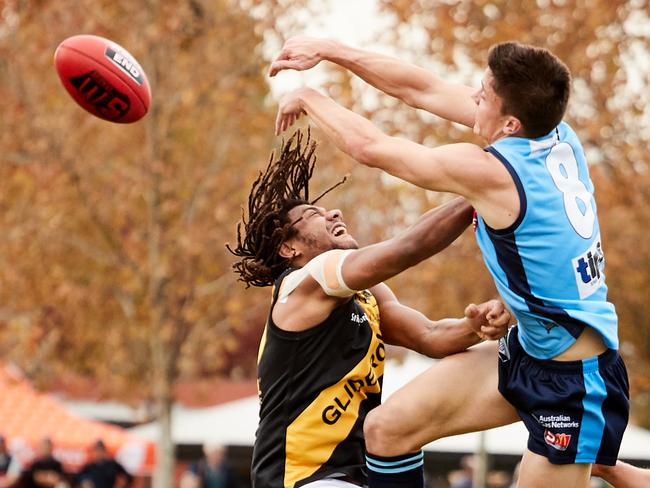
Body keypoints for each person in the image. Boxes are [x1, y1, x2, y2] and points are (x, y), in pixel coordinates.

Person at [270, 37, 629, 488]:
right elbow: (422, 88)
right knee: (386, 430)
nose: (473, 98)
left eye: (483, 96)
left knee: (586, 471)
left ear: (510, 122)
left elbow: (373, 149)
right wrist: (330, 50)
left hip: (574, 379)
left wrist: (308, 96)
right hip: (529, 349)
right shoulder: (553, 131)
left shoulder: (491, 171)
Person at [228, 130, 511, 488]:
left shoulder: (365, 294)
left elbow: (430, 336)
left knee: (500, 359)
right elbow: (407, 248)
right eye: (314, 214)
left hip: (357, 473)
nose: (333, 211)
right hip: (301, 479)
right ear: (289, 249)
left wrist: (477, 325)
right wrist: (482, 188)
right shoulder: (303, 282)